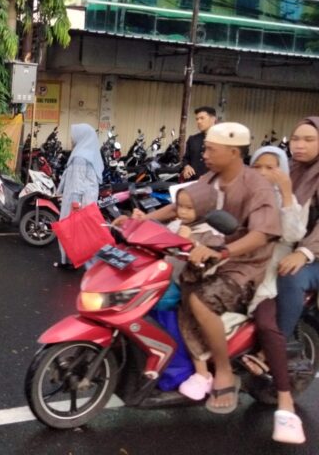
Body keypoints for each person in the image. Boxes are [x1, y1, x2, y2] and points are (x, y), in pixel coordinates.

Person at [134, 123, 281, 414]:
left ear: (234, 152)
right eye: (205, 149)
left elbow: (261, 234)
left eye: (211, 150)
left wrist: (222, 251)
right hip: (206, 253)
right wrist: (142, 221)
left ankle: (223, 371)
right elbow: (181, 205)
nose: (204, 154)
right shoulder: (210, 178)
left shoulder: (257, 187)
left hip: (243, 265)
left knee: (199, 300)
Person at [242, 146, 307, 444]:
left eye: (271, 168)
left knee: (268, 325)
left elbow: (294, 234)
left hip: (268, 276)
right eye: (258, 167)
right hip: (236, 268)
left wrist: (286, 192)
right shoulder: (243, 195)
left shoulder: (288, 201)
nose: (264, 173)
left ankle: (285, 402)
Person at [276, 117, 319, 347]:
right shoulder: (290, 169)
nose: (300, 145)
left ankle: (278, 344)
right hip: (291, 242)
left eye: (309, 140)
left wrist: (304, 253)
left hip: (314, 254)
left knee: (290, 276)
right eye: (295, 138)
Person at [55, 124, 103, 267]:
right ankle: (74, 260)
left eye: (74, 136)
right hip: (87, 200)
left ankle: (71, 261)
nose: (71, 139)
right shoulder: (89, 154)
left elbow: (77, 182)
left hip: (76, 200)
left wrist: (75, 204)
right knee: (81, 232)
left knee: (69, 230)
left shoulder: (80, 157)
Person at [181, 106, 217, 181]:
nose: (199, 121)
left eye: (202, 118)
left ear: (213, 119)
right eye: (197, 119)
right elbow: (186, 158)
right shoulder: (193, 139)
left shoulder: (224, 140)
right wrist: (186, 166)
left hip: (213, 183)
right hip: (192, 182)